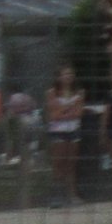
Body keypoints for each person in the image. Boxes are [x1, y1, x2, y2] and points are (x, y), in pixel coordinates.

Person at [44, 66, 86, 205]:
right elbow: (53, 115)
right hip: (58, 131)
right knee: (58, 164)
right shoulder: (52, 93)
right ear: (59, 77)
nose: (68, 76)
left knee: (71, 164)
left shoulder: (79, 93)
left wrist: (64, 111)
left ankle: (72, 195)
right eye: (65, 74)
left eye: (70, 73)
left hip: (74, 129)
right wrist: (69, 108)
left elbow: (79, 113)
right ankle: (56, 196)